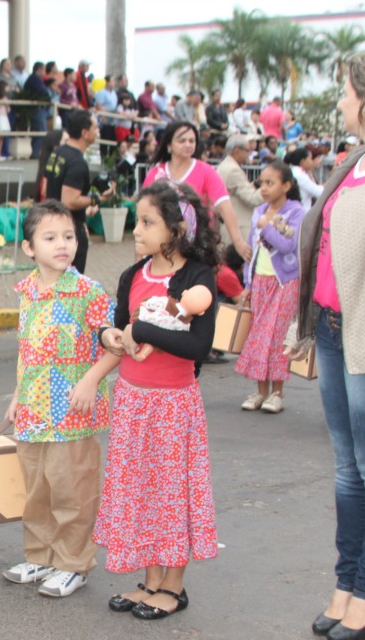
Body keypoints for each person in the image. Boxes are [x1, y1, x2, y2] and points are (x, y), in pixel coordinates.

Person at [94, 180, 220, 620]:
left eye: (147, 222)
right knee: (139, 491)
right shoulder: (132, 275)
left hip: (172, 405)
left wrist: (143, 332)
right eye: (137, 221)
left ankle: (174, 586)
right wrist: (107, 335)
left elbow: (199, 346)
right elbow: (117, 329)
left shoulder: (197, 277)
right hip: (132, 402)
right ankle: (150, 579)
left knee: (171, 493)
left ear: (175, 228)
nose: (137, 229)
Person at [1, 200, 118, 597]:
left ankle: (73, 562)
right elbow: (29, 351)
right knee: (37, 491)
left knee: (73, 491)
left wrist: (88, 382)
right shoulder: (28, 292)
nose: (62, 244)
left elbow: (112, 344)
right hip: (33, 412)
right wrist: (18, 396)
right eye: (50, 238)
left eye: (68, 236)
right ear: (30, 248)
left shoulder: (88, 291)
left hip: (73, 413)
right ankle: (39, 555)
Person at [293, 54, 365, 639]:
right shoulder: (352, 161)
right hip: (334, 330)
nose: (340, 101)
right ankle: (346, 584)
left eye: (345, 91)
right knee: (347, 471)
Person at [236, 161, 304, 414]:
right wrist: (248, 282)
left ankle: (277, 393)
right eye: (261, 183)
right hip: (261, 281)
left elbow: (288, 247)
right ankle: (260, 391)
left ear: (286, 185)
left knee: (276, 336)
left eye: (270, 183)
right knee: (258, 335)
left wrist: (267, 226)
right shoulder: (260, 211)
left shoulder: (296, 212)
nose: (264, 188)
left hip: (284, 282)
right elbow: (253, 253)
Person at [143, 121, 252, 261]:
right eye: (182, 140)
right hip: (162, 247)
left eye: (191, 140)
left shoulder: (207, 171)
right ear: (169, 145)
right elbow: (144, 212)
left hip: (197, 247)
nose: (188, 144)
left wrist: (239, 243)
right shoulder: (155, 173)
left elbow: (225, 208)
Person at [42, 110, 114, 273]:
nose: (98, 131)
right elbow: (69, 201)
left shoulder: (57, 153)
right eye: (95, 127)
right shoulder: (77, 162)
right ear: (84, 132)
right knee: (70, 284)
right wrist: (98, 199)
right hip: (69, 231)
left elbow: (47, 187)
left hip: (52, 225)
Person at [217, 134, 263, 241]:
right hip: (239, 228)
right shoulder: (233, 170)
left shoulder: (225, 166)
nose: (249, 154)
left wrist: (256, 184)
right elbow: (252, 199)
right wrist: (268, 188)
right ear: (237, 150)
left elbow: (238, 191)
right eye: (247, 150)